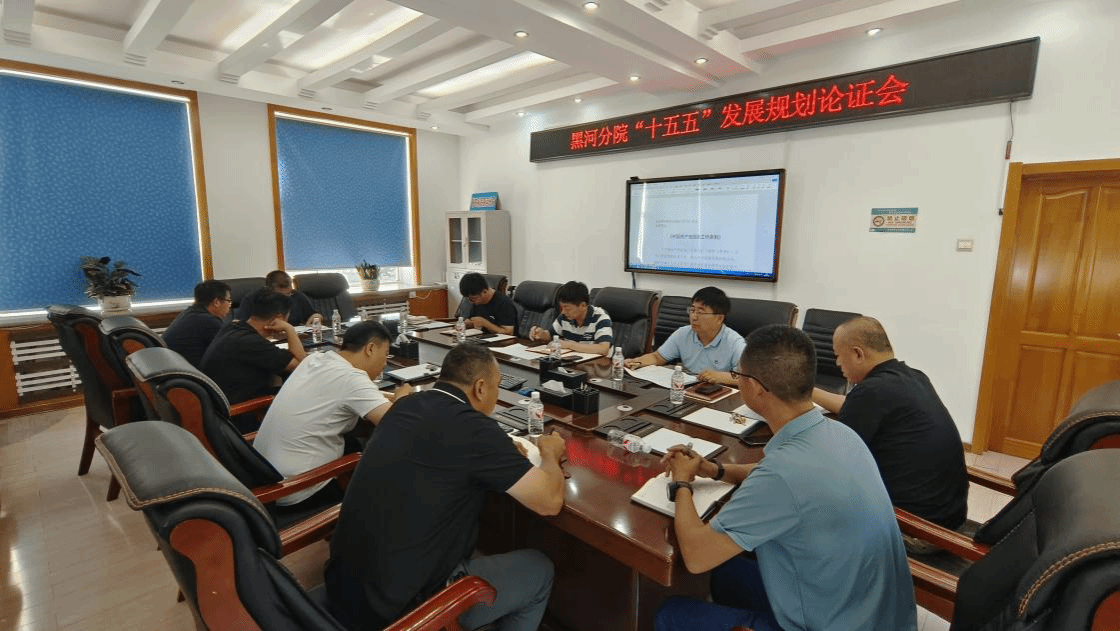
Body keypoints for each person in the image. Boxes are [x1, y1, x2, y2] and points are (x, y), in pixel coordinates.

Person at [656, 325, 916, 631]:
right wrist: (714, 470)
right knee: (726, 571)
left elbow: (696, 556)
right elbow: (777, 475)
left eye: (738, 375)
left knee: (669, 613)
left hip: (830, 622)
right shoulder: (840, 433)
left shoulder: (782, 475)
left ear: (756, 388)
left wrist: (682, 482)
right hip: (870, 610)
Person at [325, 343, 567, 631]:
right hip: (400, 612)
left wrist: (499, 450)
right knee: (538, 569)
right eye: (497, 387)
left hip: (343, 586)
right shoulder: (475, 430)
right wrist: (550, 453)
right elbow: (549, 502)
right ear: (480, 388)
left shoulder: (405, 405)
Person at [812, 316, 968, 542]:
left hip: (914, 531)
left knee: (809, 501)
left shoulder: (872, 391)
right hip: (947, 519)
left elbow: (831, 459)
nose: (837, 363)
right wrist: (807, 391)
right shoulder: (913, 377)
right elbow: (852, 405)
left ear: (857, 354)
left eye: (838, 355)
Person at [253, 321, 412, 509]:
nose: (385, 364)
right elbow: (397, 424)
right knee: (385, 457)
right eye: (385, 355)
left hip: (263, 477)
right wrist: (402, 398)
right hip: (297, 489)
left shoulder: (314, 359)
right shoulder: (352, 379)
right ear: (370, 349)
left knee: (355, 441)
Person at [200, 288, 307, 417]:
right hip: (241, 413)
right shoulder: (251, 342)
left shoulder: (233, 327)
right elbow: (301, 364)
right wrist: (289, 329)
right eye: (286, 320)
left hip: (220, 405)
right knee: (305, 394)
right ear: (278, 318)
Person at [624, 286, 745, 385]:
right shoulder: (683, 333)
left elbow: (746, 378)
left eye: (700, 312)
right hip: (687, 388)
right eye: (692, 310)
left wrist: (719, 376)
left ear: (719, 318)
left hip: (718, 392)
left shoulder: (735, 343)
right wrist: (637, 362)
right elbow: (657, 357)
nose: (694, 317)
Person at [528, 280, 613, 355]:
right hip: (572, 362)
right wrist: (541, 334)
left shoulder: (600, 317)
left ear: (583, 305)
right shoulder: (564, 317)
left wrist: (568, 345)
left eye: (567, 308)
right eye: (562, 307)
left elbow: (603, 349)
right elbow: (550, 336)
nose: (563, 312)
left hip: (596, 365)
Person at [161, 280, 232, 367]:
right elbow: (230, 351)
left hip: (173, 368)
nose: (229, 306)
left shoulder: (190, 313)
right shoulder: (209, 321)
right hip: (188, 372)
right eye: (229, 301)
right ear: (216, 302)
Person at [235, 270, 321, 326]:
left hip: (293, 336)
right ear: (269, 289)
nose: (286, 298)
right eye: (282, 295)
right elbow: (241, 324)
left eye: (289, 293)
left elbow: (314, 314)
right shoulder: (252, 299)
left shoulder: (296, 295)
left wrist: (316, 317)